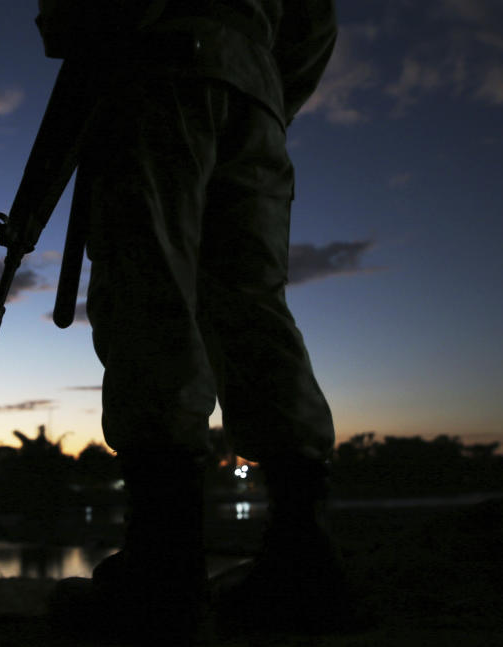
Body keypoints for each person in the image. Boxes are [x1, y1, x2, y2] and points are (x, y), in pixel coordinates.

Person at [36, 0, 349, 642]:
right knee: (254, 305)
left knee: (150, 291)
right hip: (256, 96)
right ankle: (303, 556)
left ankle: (165, 572)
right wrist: (258, 85)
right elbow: (315, 23)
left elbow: (67, 19)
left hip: (154, 70)